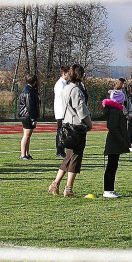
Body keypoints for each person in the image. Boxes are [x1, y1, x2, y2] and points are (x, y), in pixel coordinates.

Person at [49, 65, 93, 198]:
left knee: (69, 157)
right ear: (79, 75)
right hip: (77, 127)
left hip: (67, 124)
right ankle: (68, 188)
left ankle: (55, 184)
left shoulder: (66, 88)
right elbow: (81, 111)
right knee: (75, 158)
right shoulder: (76, 90)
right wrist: (89, 124)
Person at [93, 88, 128, 199]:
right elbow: (112, 127)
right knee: (111, 166)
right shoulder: (114, 111)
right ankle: (107, 190)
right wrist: (121, 139)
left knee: (113, 166)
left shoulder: (116, 110)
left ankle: (110, 189)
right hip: (114, 142)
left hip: (116, 141)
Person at [17, 73, 40, 160]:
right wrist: (33, 118)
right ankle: (23, 154)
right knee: (26, 135)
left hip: (26, 115)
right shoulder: (28, 91)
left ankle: (26, 153)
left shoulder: (29, 89)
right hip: (27, 115)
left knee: (28, 135)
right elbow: (30, 106)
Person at [53, 65, 69, 158]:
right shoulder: (60, 84)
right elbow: (62, 98)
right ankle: (59, 150)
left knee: (63, 131)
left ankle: (61, 149)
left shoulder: (64, 83)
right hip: (61, 111)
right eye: (68, 74)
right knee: (61, 131)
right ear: (64, 73)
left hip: (64, 111)